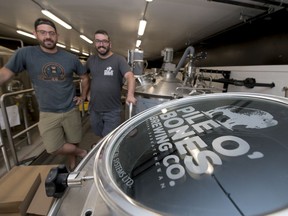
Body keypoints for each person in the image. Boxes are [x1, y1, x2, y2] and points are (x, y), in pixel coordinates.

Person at [0, 18, 90, 170]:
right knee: (53, 147)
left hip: (70, 108)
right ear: (35, 34)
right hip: (48, 112)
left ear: (57, 36)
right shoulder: (25, 53)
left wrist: (83, 96)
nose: (47, 36)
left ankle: (73, 165)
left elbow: (84, 77)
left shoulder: (70, 58)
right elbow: (5, 74)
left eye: (51, 33)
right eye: (43, 32)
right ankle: (82, 153)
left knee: (73, 140)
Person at [86, 29, 136, 139]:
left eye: (104, 41)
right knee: (99, 134)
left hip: (112, 110)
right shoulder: (91, 60)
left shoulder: (119, 60)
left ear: (110, 44)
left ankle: (105, 153)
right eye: (98, 41)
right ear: (95, 43)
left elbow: (130, 77)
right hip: (94, 109)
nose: (101, 44)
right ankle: (102, 150)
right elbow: (85, 77)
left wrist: (130, 94)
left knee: (109, 138)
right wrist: (87, 92)